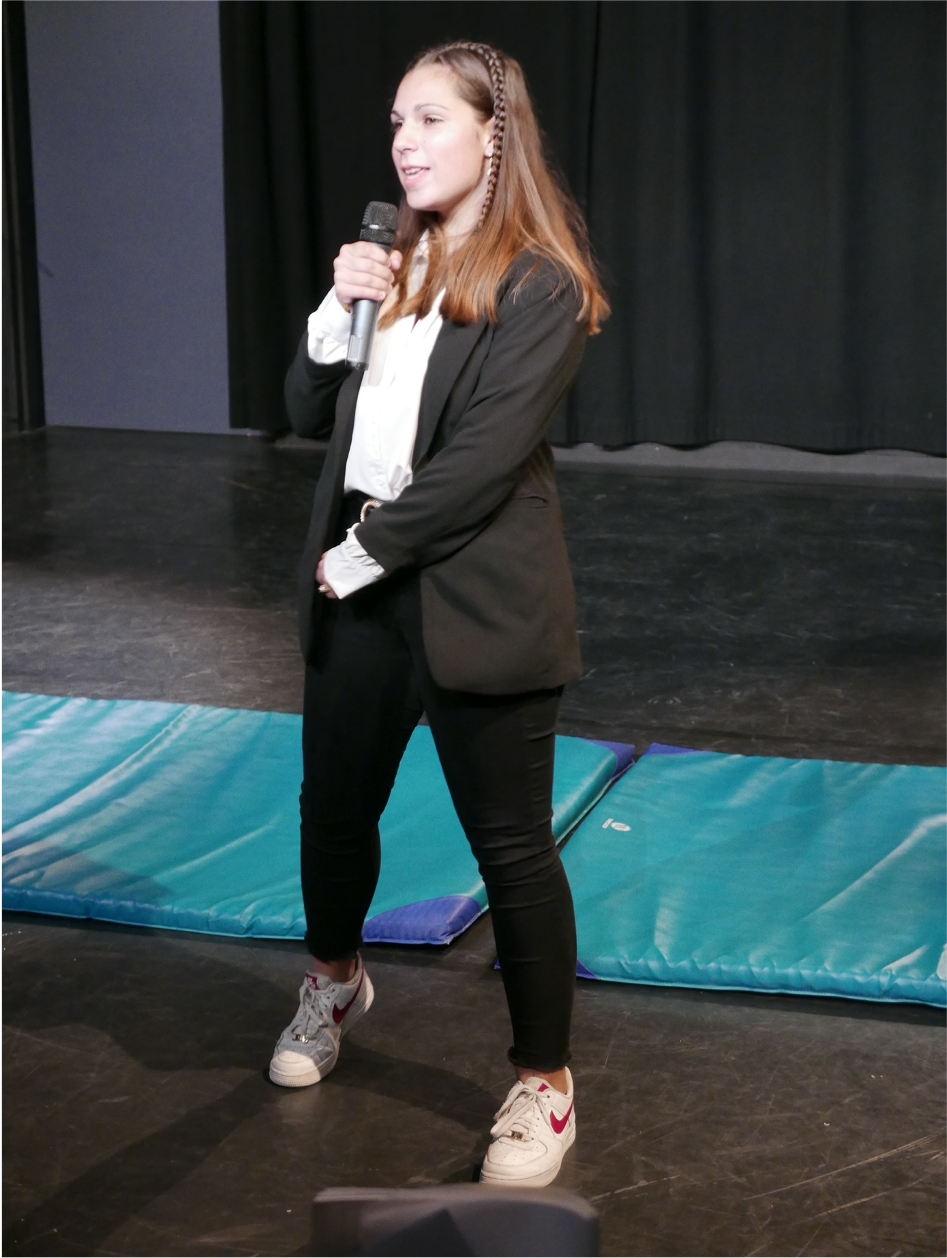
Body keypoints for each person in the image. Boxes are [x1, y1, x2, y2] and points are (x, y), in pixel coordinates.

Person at [271, 40, 608, 1189]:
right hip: (359, 588)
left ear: (492, 134)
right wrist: (337, 304)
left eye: (429, 119)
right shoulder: (393, 261)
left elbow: (477, 463)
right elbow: (302, 406)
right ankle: (333, 980)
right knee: (331, 814)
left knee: (509, 848)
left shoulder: (540, 284)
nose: (404, 143)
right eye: (395, 122)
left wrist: (360, 555)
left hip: (467, 588)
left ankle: (543, 1084)